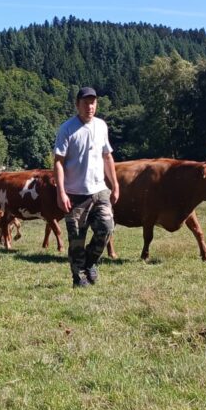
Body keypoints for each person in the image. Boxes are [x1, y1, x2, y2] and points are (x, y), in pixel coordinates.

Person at [53, 87, 119, 288]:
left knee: (107, 228)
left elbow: (107, 156)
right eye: (86, 102)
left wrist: (115, 185)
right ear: (77, 104)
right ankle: (78, 278)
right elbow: (58, 162)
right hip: (75, 195)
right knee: (76, 241)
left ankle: (90, 263)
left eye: (93, 102)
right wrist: (61, 191)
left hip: (99, 191)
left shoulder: (101, 126)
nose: (90, 106)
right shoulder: (67, 129)